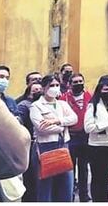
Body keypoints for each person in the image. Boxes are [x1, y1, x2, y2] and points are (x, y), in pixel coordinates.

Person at [0, 74, 31, 203]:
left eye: (7, 77)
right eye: (1, 76)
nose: (4, 80)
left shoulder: (9, 101)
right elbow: (19, 142)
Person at [31, 74, 77, 202]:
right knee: (45, 188)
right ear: (44, 88)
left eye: (57, 85)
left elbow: (74, 118)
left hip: (63, 146)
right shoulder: (36, 106)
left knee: (66, 186)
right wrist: (62, 127)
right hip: (45, 147)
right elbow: (41, 127)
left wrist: (56, 121)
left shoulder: (62, 104)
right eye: (51, 86)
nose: (55, 88)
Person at [84, 75, 108, 202]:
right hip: (97, 147)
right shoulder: (92, 106)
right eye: (105, 90)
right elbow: (89, 128)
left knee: (106, 176)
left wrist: (107, 129)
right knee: (97, 177)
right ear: (99, 91)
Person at [61, 72, 92, 202]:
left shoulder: (89, 96)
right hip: (72, 137)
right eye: (75, 82)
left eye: (80, 81)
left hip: (86, 137)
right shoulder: (63, 99)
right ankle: (70, 195)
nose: (79, 84)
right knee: (70, 168)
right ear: (70, 84)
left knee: (84, 168)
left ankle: (84, 195)